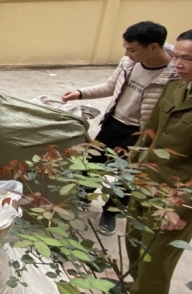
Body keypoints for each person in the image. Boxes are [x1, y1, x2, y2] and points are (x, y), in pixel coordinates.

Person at [62, 21, 174, 235]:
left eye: (132, 49)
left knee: (126, 177)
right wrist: (80, 92)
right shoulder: (128, 63)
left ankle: (110, 213)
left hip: (140, 134)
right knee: (93, 162)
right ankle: (84, 194)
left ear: (153, 47)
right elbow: (110, 86)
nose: (127, 53)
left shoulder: (173, 76)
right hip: (114, 122)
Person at [125, 29, 192, 294]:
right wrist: (132, 171)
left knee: (155, 264)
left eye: (188, 58)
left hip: (173, 199)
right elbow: (150, 135)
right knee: (135, 247)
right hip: (145, 183)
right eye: (177, 55)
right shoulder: (175, 86)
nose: (178, 63)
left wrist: (183, 208)